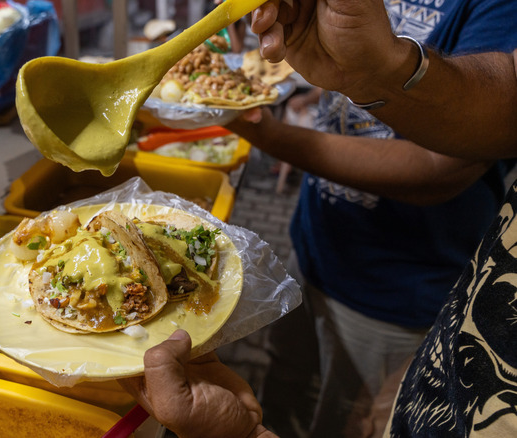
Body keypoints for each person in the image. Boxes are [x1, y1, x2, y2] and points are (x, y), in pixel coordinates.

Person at [119, 0, 517, 435]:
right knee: (281, 375)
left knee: (348, 415)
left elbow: (440, 169)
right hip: (313, 244)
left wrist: (267, 132)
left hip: (397, 289)